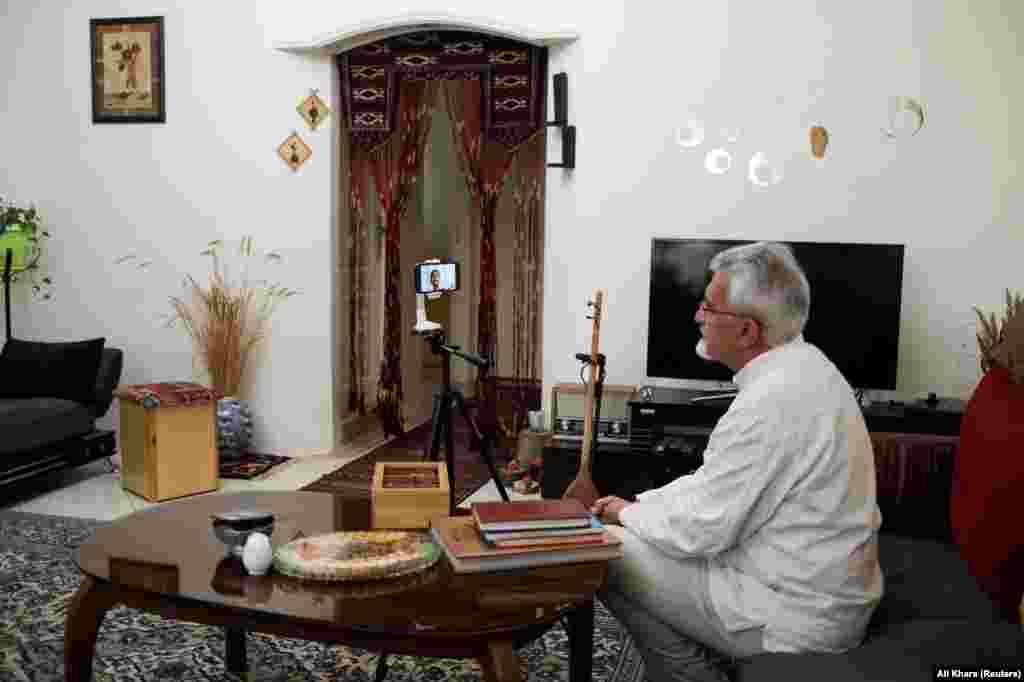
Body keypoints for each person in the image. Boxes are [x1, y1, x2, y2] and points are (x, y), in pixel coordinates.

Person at [593, 241, 883, 681]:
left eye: (708, 307)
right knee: (636, 531)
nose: (697, 316)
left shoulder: (771, 402)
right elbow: (712, 486)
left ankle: (692, 675)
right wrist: (635, 507)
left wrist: (625, 515)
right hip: (815, 589)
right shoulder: (806, 364)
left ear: (748, 331)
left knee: (600, 553)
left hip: (796, 616)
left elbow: (701, 531)